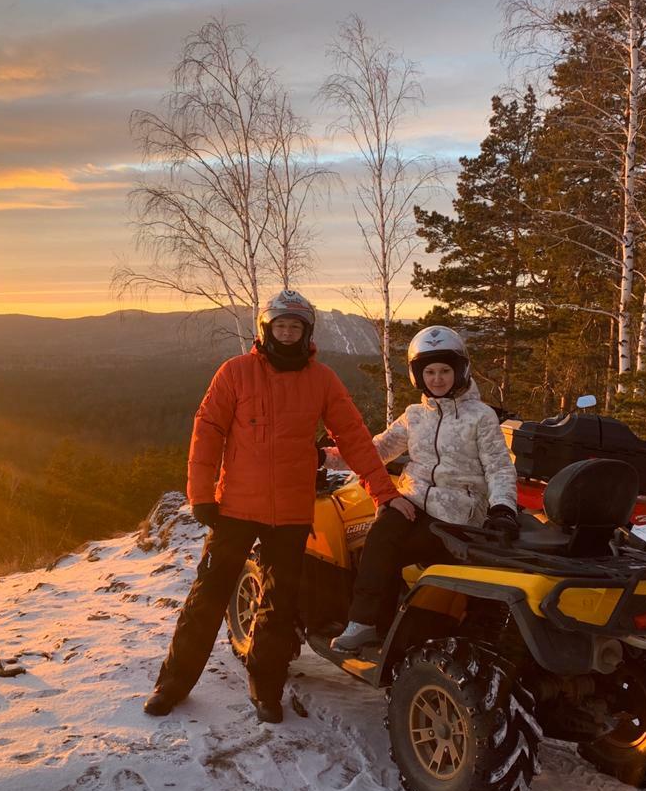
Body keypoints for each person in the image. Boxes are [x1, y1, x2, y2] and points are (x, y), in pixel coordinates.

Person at [144, 290, 408, 723]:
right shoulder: (236, 372)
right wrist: (201, 494)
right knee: (208, 595)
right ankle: (171, 685)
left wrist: (383, 492)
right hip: (234, 508)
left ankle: (266, 689)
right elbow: (207, 430)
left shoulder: (322, 379)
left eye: (296, 327)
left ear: (306, 333)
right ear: (266, 330)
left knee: (278, 604)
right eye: (280, 326)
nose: (288, 334)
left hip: (290, 512)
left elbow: (355, 438)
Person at [329, 325, 519, 653]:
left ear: (460, 371)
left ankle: (396, 630)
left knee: (391, 548)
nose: (437, 379)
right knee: (381, 534)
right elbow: (377, 449)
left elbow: (499, 467)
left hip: (458, 510)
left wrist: (503, 508)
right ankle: (366, 622)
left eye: (445, 371)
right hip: (414, 500)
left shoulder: (481, 417)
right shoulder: (415, 415)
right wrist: (329, 455)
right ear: (419, 376)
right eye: (429, 372)